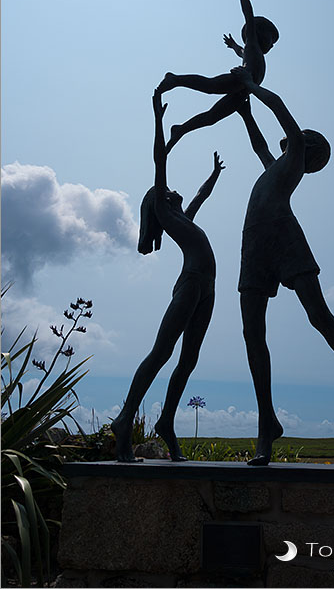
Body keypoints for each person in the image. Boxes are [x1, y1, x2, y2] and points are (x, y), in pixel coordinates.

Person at [230, 66, 334, 466]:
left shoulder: (293, 158)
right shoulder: (276, 164)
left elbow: (278, 105)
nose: (295, 137)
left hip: (284, 238)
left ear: (306, 149)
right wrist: (244, 113)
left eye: (302, 138)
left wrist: (250, 86)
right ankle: (266, 424)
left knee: (320, 316)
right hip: (254, 243)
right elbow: (259, 144)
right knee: (252, 332)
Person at [111, 89, 224, 462]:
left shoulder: (183, 216)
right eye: (168, 189)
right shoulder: (162, 204)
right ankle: (125, 419)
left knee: (188, 359)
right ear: (159, 199)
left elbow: (201, 197)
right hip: (191, 282)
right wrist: (158, 120)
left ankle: (166, 422)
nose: (175, 190)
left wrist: (213, 176)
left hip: (207, 288)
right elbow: (159, 158)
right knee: (162, 351)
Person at [158, 0, 279, 152]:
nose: (272, 44)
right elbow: (248, 12)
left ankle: (180, 129)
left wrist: (232, 46)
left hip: (243, 93)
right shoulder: (252, 44)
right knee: (211, 85)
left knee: (212, 117)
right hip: (241, 79)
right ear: (259, 32)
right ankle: (175, 79)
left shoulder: (251, 51)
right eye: (271, 38)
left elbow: (240, 51)